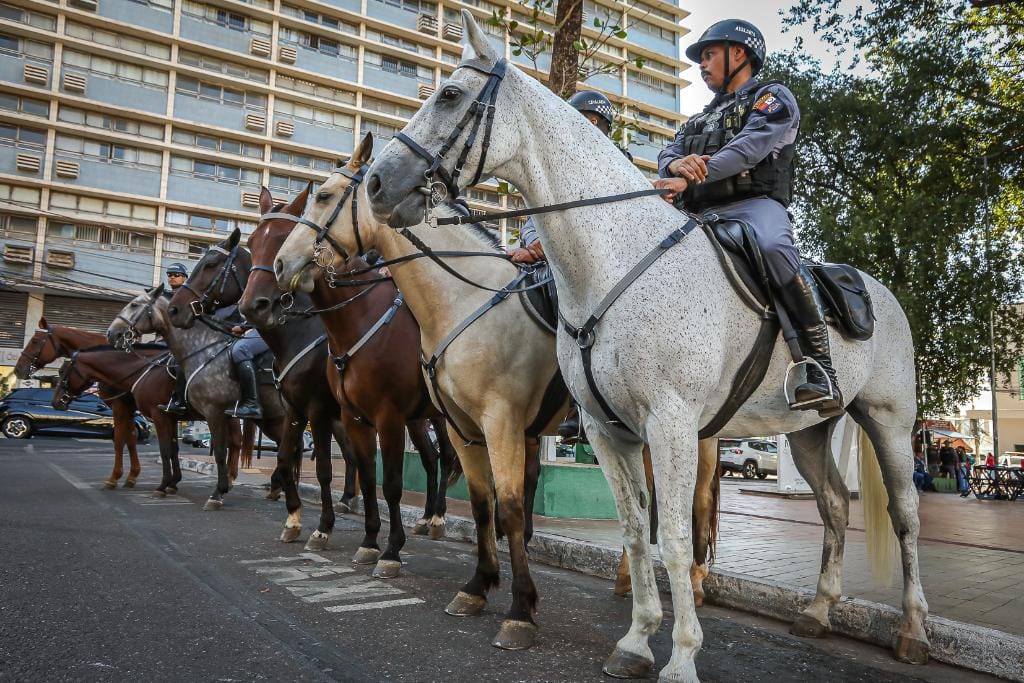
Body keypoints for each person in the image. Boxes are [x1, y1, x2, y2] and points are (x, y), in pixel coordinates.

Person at [653, 20, 841, 419]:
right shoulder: (697, 119)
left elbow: (750, 147)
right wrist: (676, 163)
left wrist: (691, 174)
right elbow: (668, 153)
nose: (701, 65)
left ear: (738, 53)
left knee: (774, 247)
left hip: (755, 207)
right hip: (699, 214)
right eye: (701, 58)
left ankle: (818, 367)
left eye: (708, 55)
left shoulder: (773, 98)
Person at [510, 90, 628, 443]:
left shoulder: (615, 162)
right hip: (552, 260)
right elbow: (534, 215)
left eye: (593, 123)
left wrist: (544, 249)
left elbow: (613, 219)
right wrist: (535, 247)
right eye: (578, 120)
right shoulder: (548, 164)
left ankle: (581, 406)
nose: (585, 128)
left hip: (606, 263)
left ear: (604, 129)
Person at [158, 262, 191, 416]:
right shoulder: (163, 295)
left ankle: (179, 400)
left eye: (176, 275)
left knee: (179, 364)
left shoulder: (188, 296)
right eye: (170, 275)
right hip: (166, 338)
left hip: (187, 338)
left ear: (185, 278)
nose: (172, 277)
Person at [225, 322, 269, 419]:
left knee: (240, 349)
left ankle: (253, 404)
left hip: (273, 326)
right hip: (258, 325)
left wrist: (243, 327)